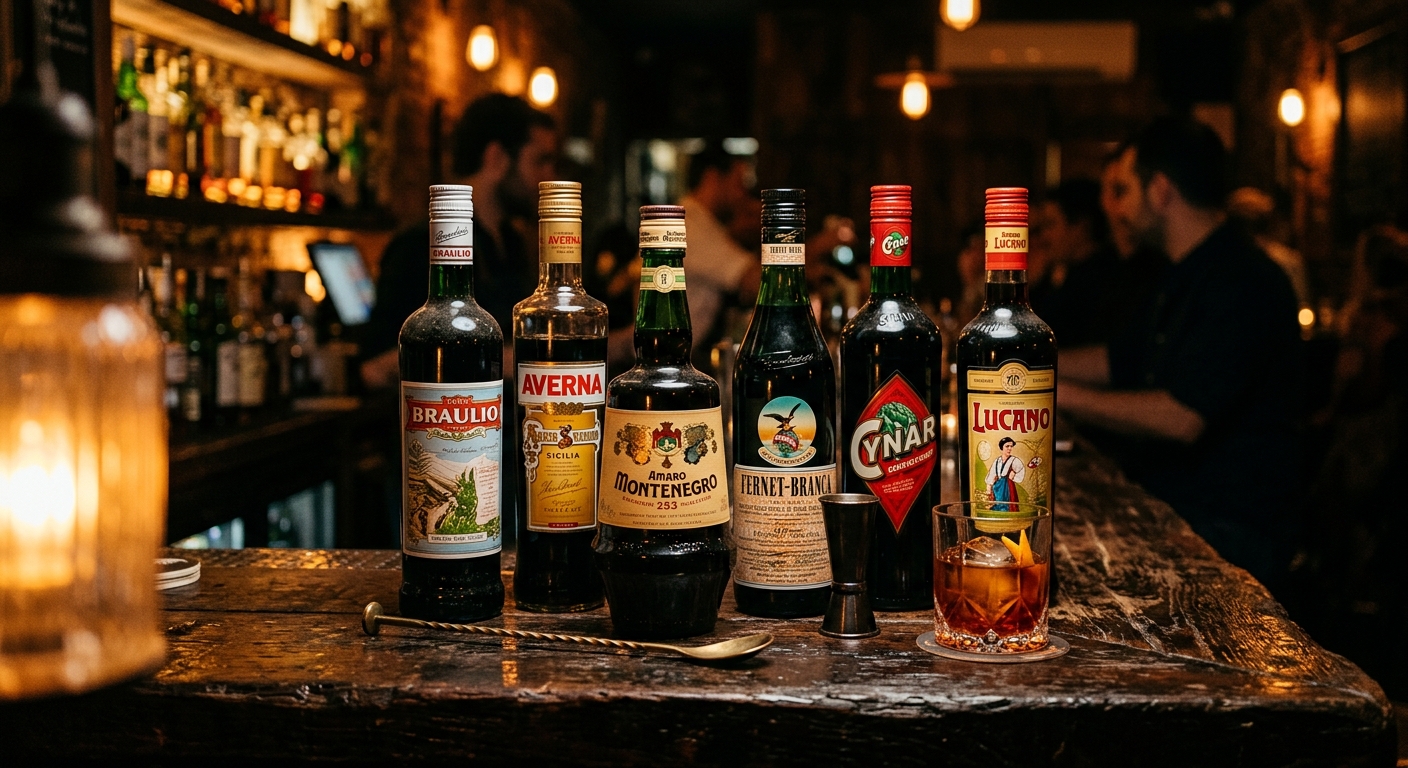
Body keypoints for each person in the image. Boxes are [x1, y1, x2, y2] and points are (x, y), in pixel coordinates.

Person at [1059, 117, 1303, 584]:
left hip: (1229, 530)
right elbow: (1117, 359)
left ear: (1161, 190)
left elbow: (1182, 417)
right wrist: (1015, 355)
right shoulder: (1181, 271)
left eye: (1127, 188)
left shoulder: (1242, 281)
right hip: (1178, 507)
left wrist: (1041, 391)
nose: (1119, 210)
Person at [360, 94, 558, 387]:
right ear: (497, 158)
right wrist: (517, 362)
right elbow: (375, 366)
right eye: (540, 161)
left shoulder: (511, 241)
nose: (548, 176)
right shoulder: (421, 244)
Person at [679, 144, 760, 365]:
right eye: (738, 182)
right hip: (682, 357)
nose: (743, 193)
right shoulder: (691, 226)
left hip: (690, 354)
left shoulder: (706, 223)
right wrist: (822, 243)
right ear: (713, 177)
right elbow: (754, 280)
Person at [1029, 178, 1120, 347]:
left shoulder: (1101, 280)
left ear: (1080, 227)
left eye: (1050, 225)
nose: (1043, 237)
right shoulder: (1063, 273)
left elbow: (1041, 338)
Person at [985, 436, 1025, 510]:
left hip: (1008, 488)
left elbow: (1021, 470)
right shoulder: (997, 461)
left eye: (1011, 446)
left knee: (1008, 506)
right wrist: (989, 488)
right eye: (1007, 446)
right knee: (997, 505)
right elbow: (991, 475)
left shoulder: (1014, 460)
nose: (1010, 448)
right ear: (1002, 447)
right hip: (998, 487)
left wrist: (1013, 476)